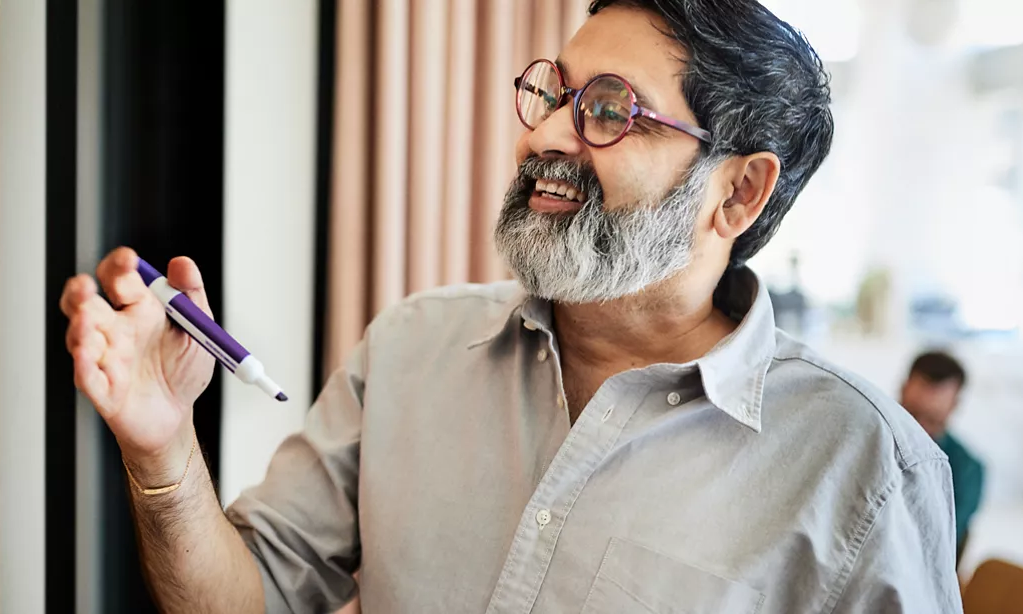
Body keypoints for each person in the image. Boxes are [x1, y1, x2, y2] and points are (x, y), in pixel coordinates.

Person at [61, 0, 961, 611]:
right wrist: (162, 444)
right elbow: (244, 598)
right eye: (554, 92)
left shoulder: (864, 467)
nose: (544, 133)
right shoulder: (413, 345)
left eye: (611, 109)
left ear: (737, 195)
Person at [900, 350, 984, 556]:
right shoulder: (872, 440)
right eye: (915, 416)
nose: (921, 429)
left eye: (931, 419)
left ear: (955, 404)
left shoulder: (967, 469)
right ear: (903, 389)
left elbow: (942, 539)